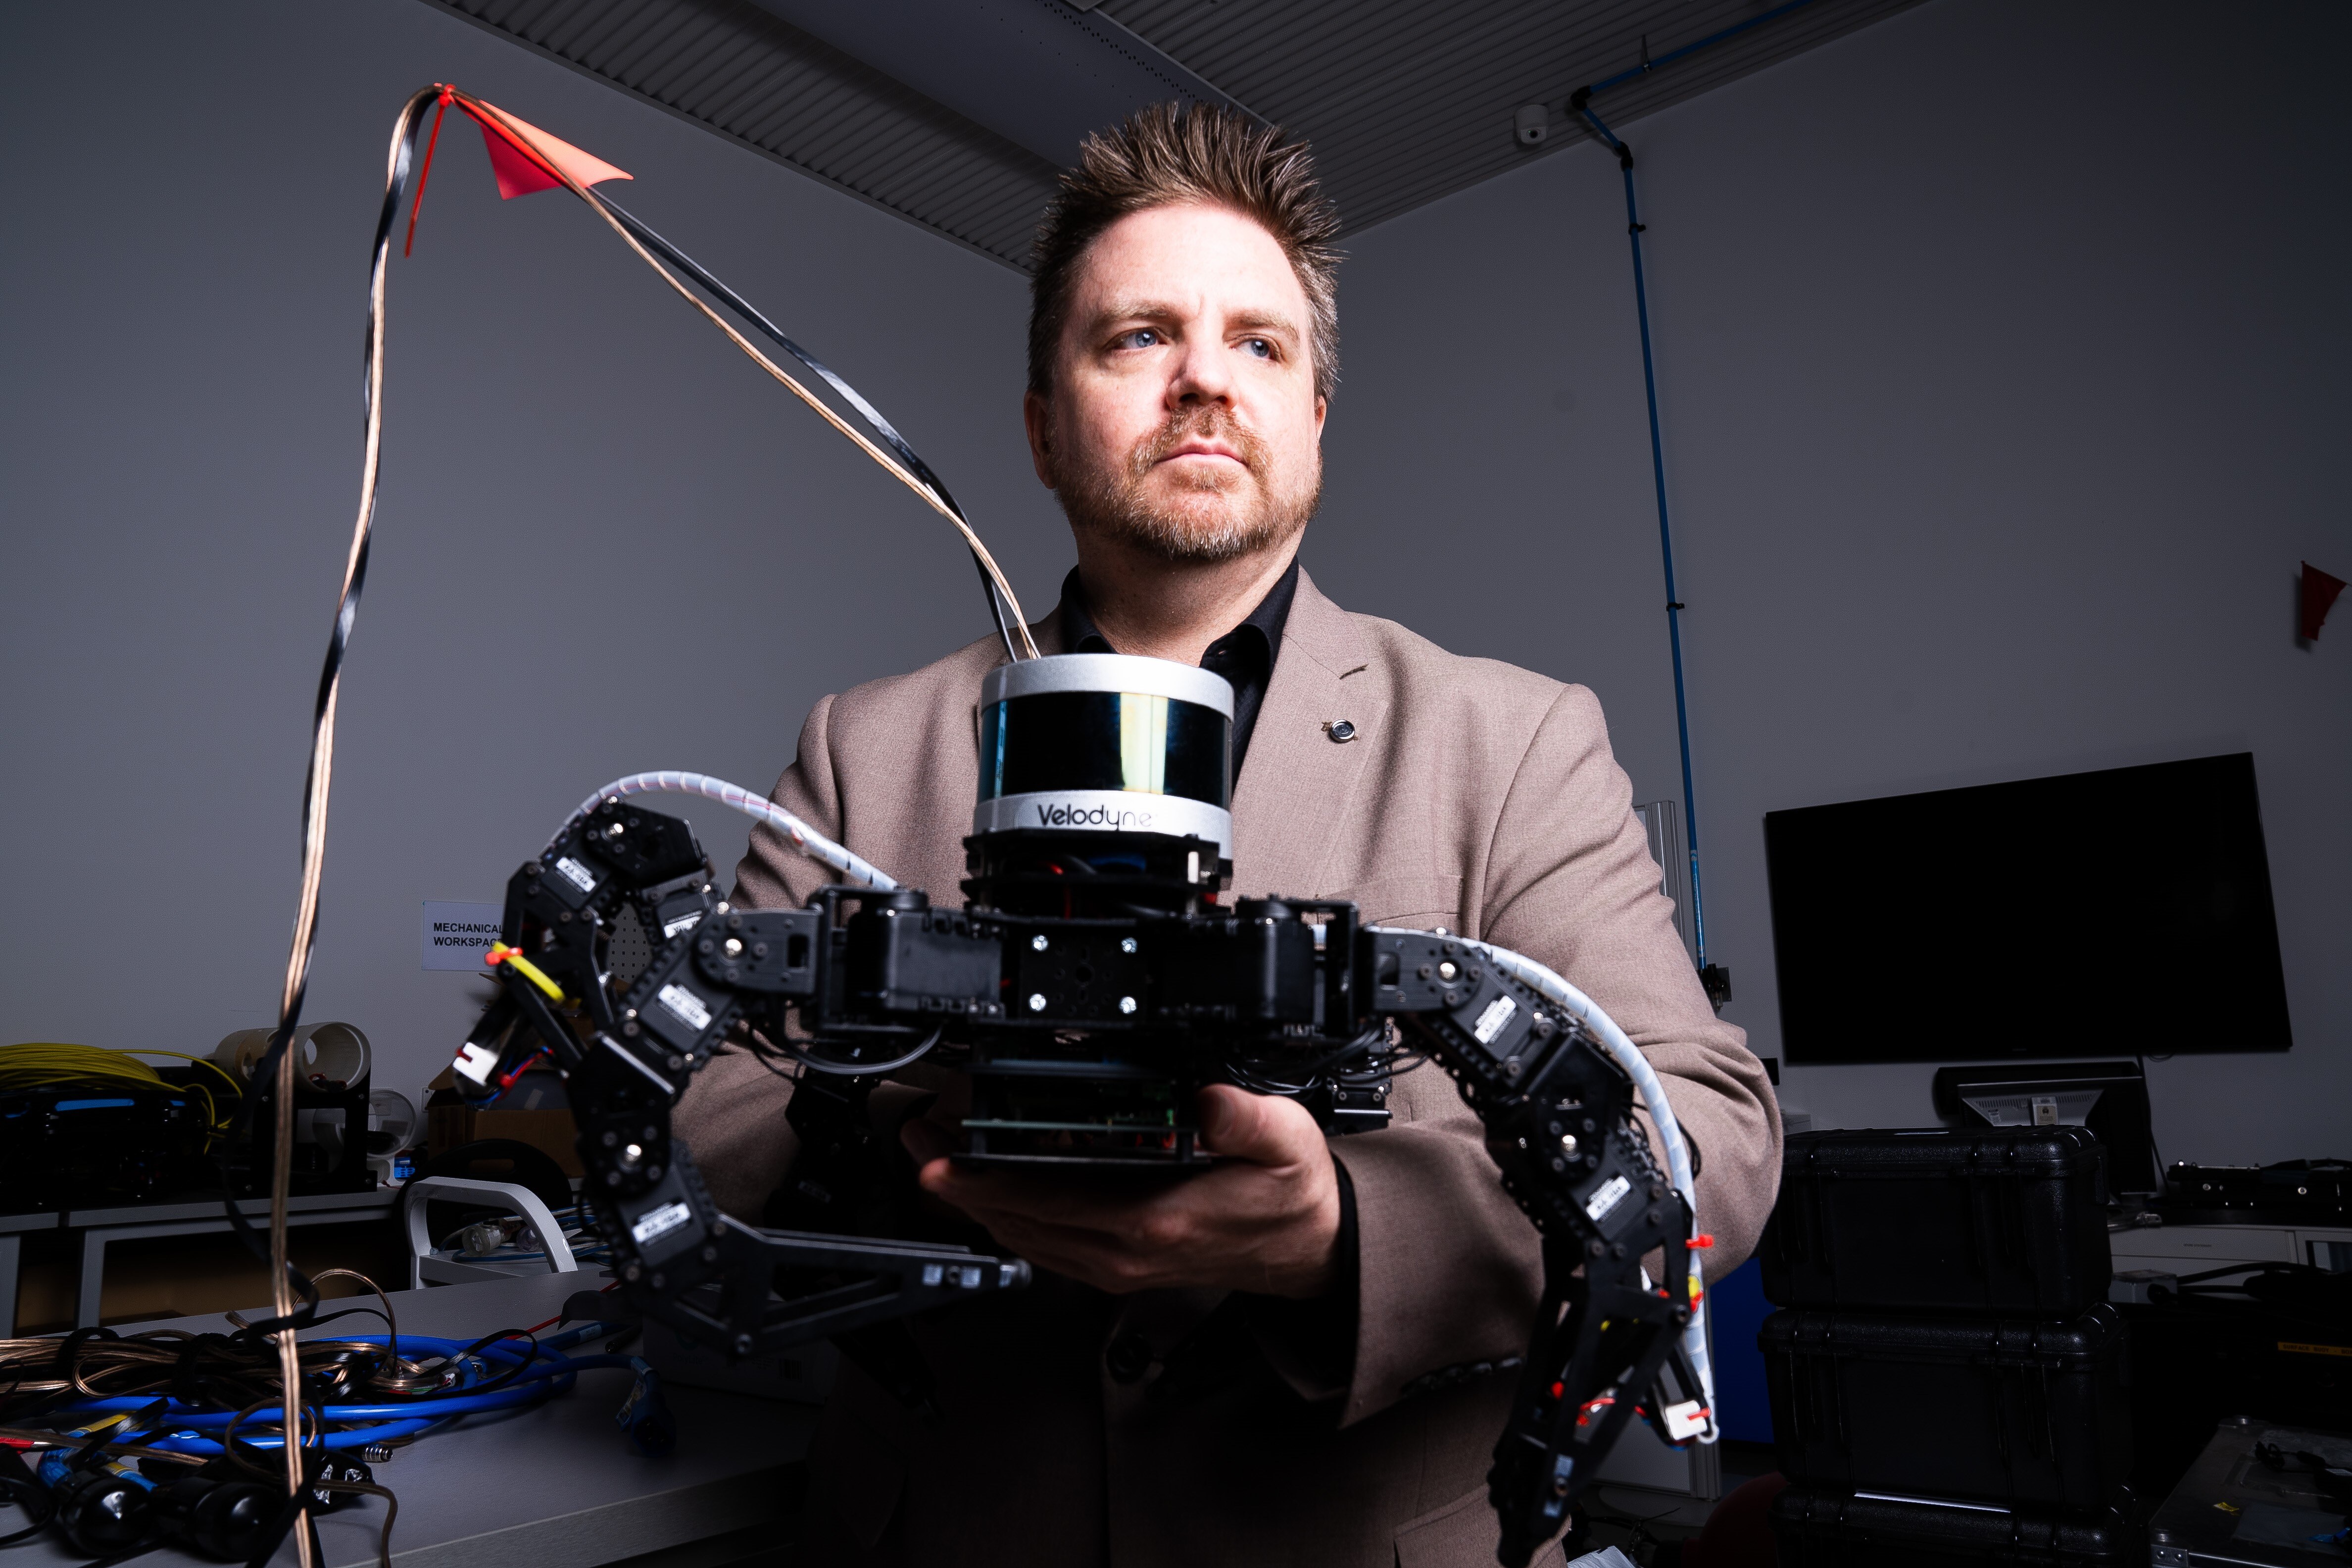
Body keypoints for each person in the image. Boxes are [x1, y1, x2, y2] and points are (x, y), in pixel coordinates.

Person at [674, 103, 1780, 1568]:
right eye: (1137, 337)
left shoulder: (1508, 740)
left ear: (1314, 417)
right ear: (1042, 423)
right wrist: (908, 1125)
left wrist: (1345, 1236)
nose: (1203, 376)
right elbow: (706, 1103)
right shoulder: (864, 746)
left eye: (1259, 343)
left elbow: (1705, 1129)